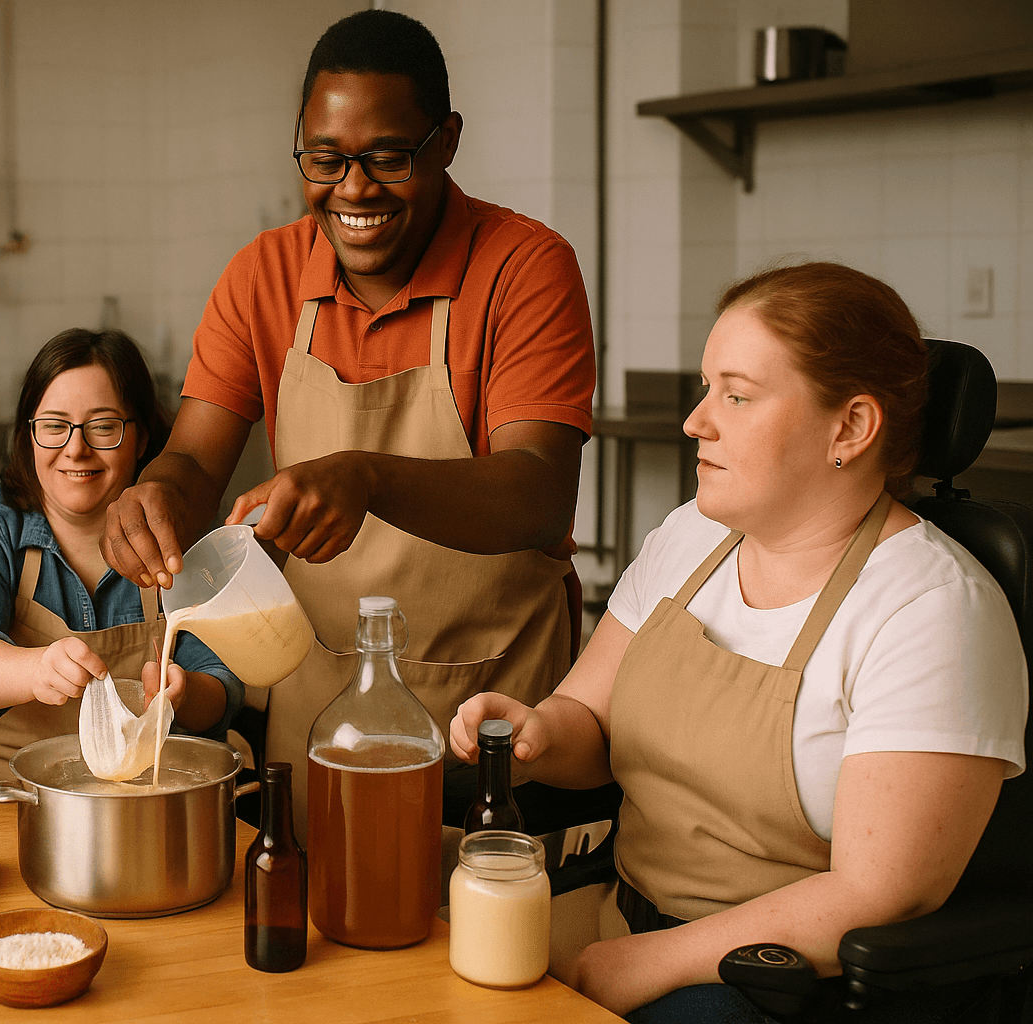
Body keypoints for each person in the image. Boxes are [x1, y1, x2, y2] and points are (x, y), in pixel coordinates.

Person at [451, 261, 1028, 1022]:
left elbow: (880, 893)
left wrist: (646, 962)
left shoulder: (931, 608)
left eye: (736, 395)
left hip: (769, 983)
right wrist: (536, 731)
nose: (696, 420)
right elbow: (587, 724)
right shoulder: (692, 536)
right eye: (705, 388)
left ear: (850, 427)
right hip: (617, 918)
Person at [101, 9, 595, 816]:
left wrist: (367, 479)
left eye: (387, 158)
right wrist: (154, 496)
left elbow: (539, 494)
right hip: (319, 705)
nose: (353, 189)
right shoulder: (262, 274)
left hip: (490, 716)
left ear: (448, 141)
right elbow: (193, 461)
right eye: (325, 159)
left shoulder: (525, 269)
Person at [0, 329, 244, 804]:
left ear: (142, 438)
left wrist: (183, 696)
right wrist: (36, 669)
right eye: (54, 425)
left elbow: (220, 678)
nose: (76, 449)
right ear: (27, 433)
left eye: (102, 426)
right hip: (7, 795)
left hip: (149, 799)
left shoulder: (181, 532)